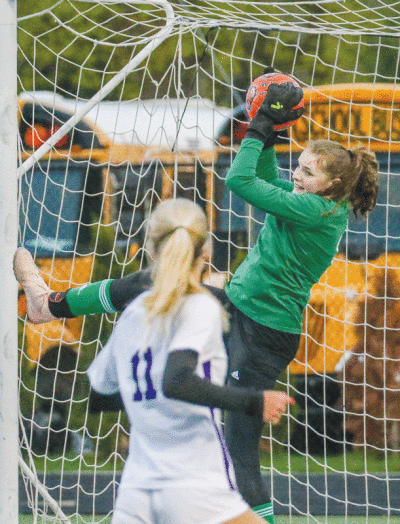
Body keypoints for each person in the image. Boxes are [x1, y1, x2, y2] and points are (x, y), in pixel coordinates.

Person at [14, 81, 380, 523]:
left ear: (334, 184)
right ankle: (50, 304)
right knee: (152, 281)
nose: (296, 177)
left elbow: (240, 180)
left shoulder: (317, 211)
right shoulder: (310, 201)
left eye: (307, 173)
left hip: (264, 331)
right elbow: (262, 177)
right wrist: (268, 134)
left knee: (237, 443)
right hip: (241, 307)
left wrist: (259, 127)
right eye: (297, 167)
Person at [75, 198, 296, 523]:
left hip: (136, 490)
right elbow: (177, 379)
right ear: (206, 251)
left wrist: (151, 395)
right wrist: (254, 401)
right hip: (193, 484)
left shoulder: (133, 313)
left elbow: (99, 397)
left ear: (150, 250)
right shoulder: (200, 306)